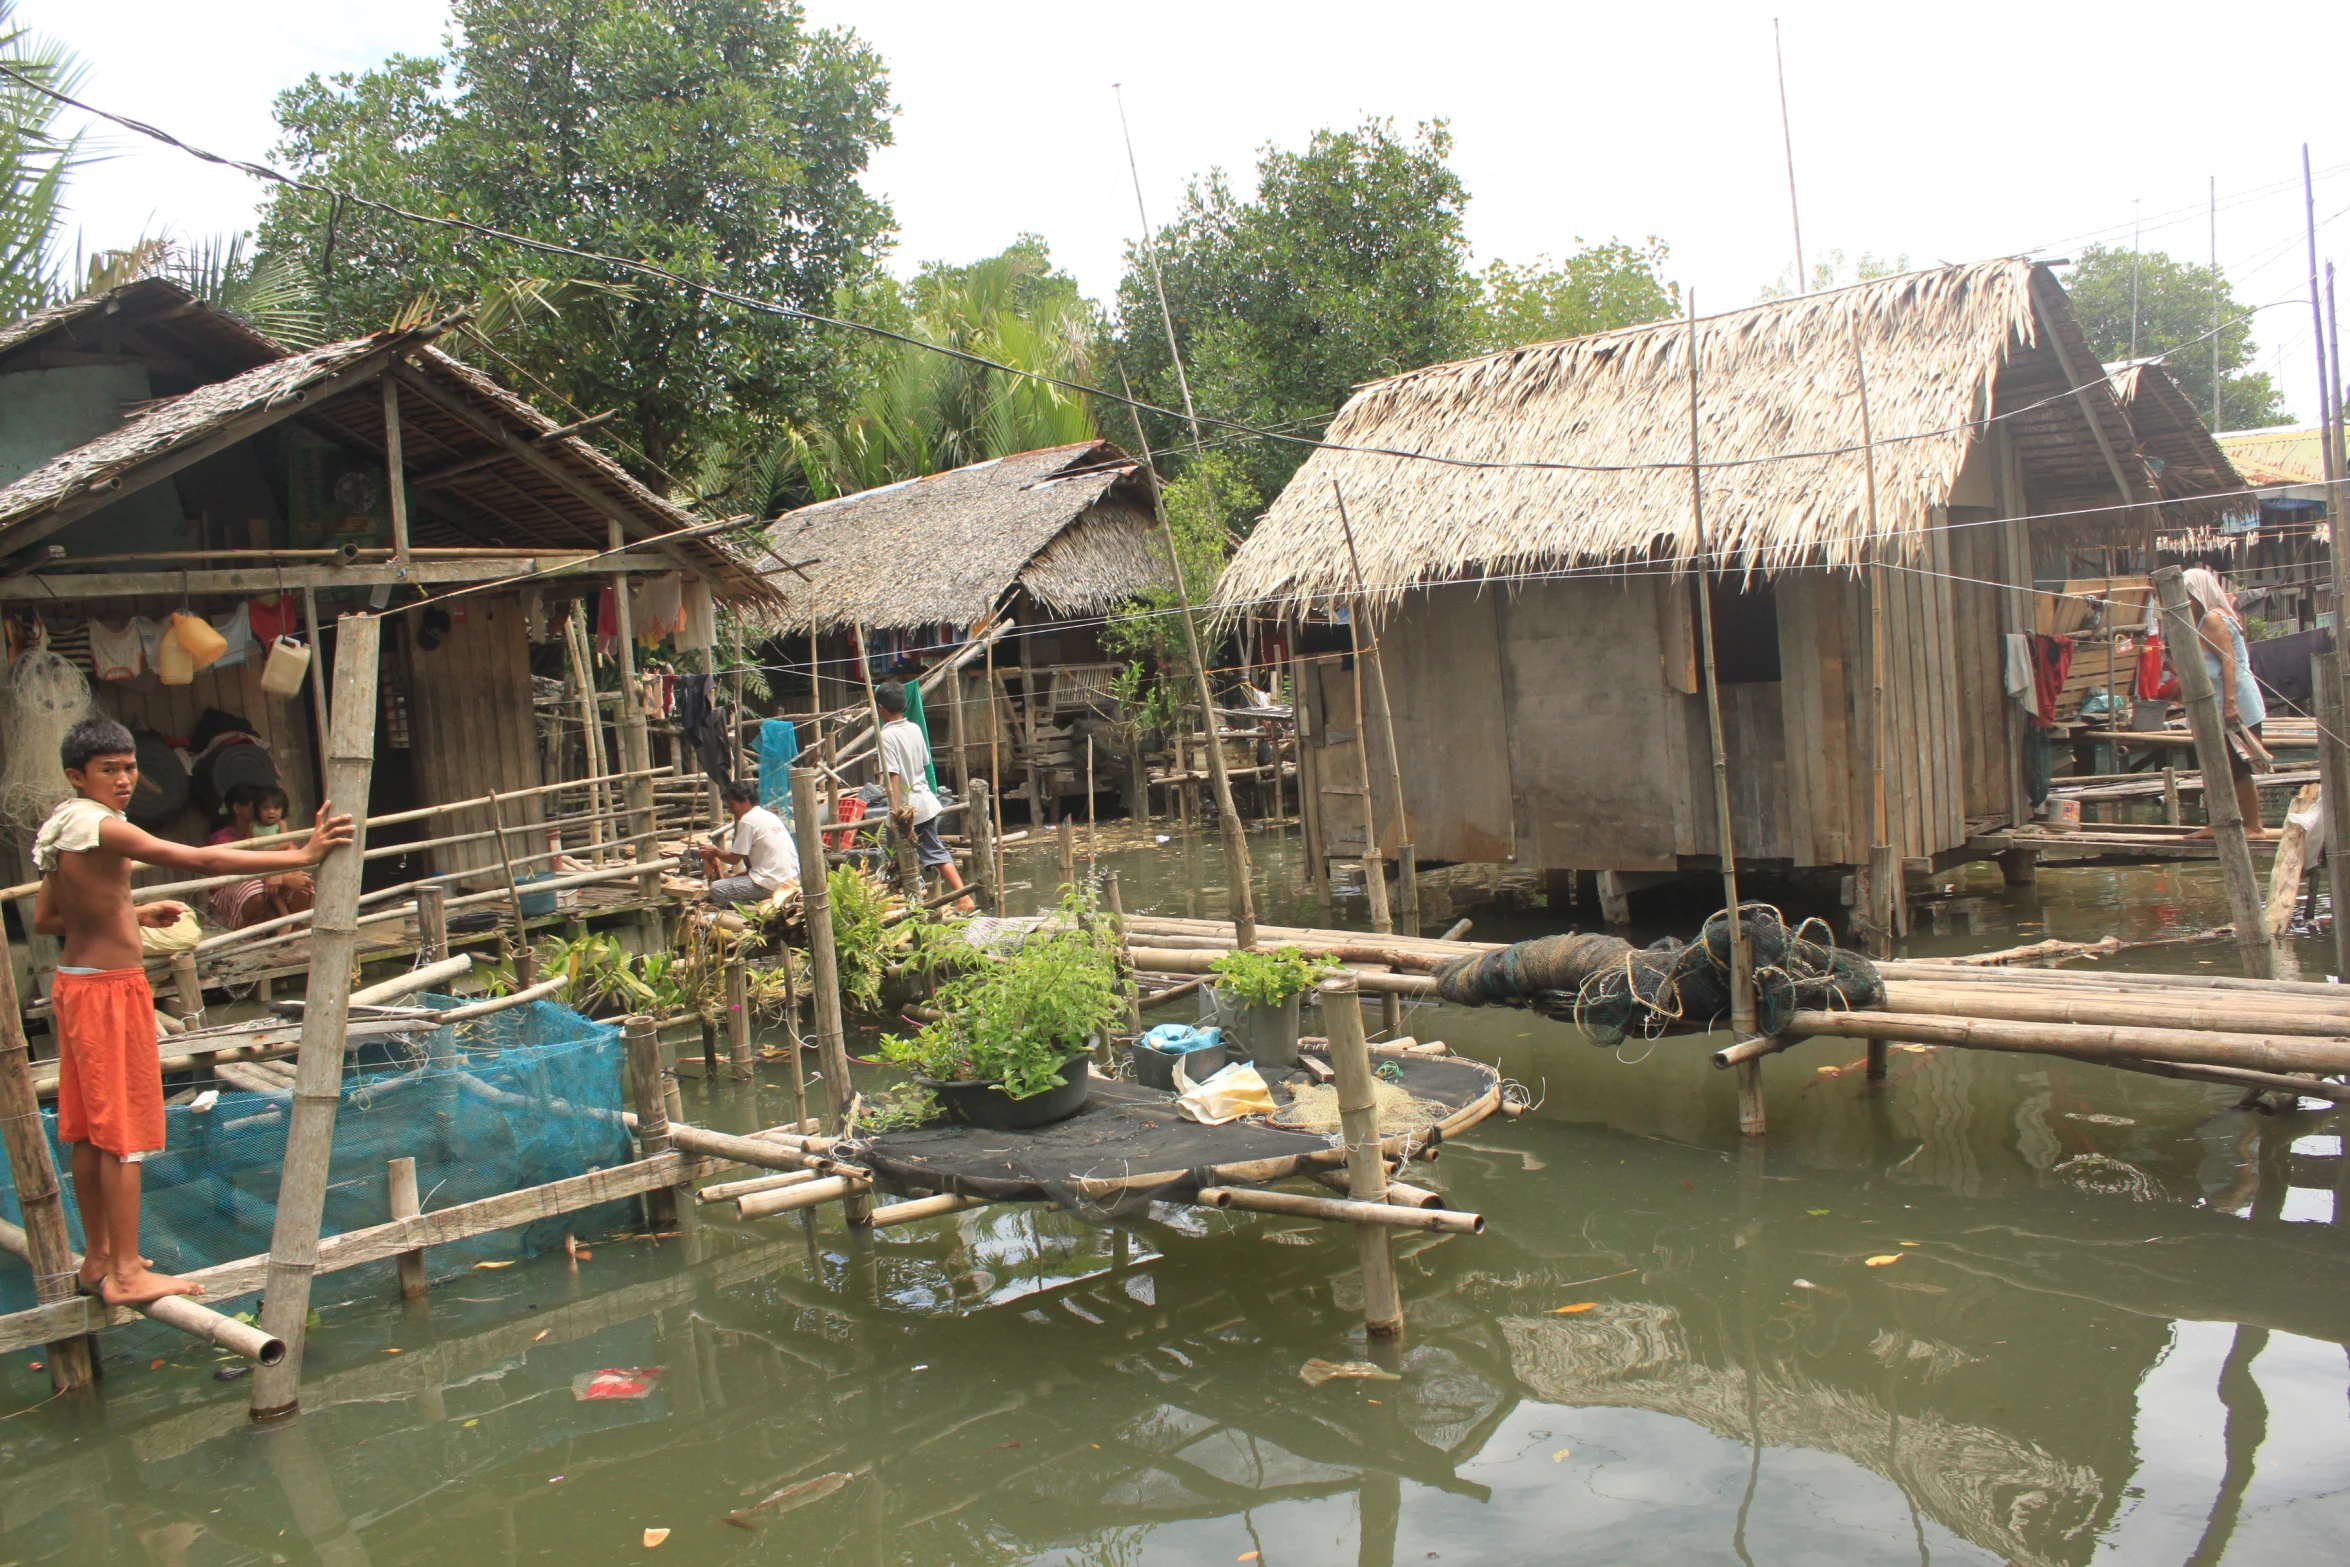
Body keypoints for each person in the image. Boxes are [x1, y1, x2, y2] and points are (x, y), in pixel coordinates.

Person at [32, 718, 352, 1305]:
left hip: (75, 985)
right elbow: (200, 862)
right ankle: (127, 1275)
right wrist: (303, 852)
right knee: (124, 1133)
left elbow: (50, 919)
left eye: (130, 767)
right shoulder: (103, 827)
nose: (126, 779)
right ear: (78, 776)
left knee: (87, 1130)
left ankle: (99, 1258)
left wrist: (131, 913)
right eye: (110, 770)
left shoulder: (62, 825)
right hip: (110, 991)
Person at [2181, 566, 2271, 840]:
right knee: (2221, 765)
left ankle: (2254, 825)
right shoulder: (2199, 622)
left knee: (2236, 765)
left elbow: (2228, 663)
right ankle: (2221, 821)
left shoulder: (2212, 620)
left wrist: (2230, 704)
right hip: (2218, 705)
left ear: (2198, 593)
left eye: (2187, 595)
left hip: (2235, 703)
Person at [877, 681, 971, 913]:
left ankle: (963, 899)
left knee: (929, 850)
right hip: (924, 800)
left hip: (908, 807)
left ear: (881, 708)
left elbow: (893, 775)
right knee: (898, 855)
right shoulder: (914, 729)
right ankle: (911, 899)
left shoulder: (886, 736)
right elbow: (924, 763)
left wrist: (895, 810)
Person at [205, 783, 316, 929]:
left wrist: (283, 874)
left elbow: (291, 848)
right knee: (254, 889)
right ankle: (246, 932)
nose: (269, 811)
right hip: (236, 893)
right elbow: (237, 866)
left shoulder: (274, 828)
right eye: (261, 805)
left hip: (266, 882)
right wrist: (280, 877)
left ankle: (292, 927)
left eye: (274, 807)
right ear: (238, 808)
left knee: (301, 882)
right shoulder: (221, 839)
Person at [700, 777, 799, 906]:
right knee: (736, 879)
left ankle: (751, 903)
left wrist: (715, 852)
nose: (731, 810)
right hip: (790, 879)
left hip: (772, 883)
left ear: (745, 801)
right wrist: (747, 873)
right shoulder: (769, 816)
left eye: (732, 805)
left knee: (716, 888)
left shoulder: (748, 819)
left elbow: (733, 859)